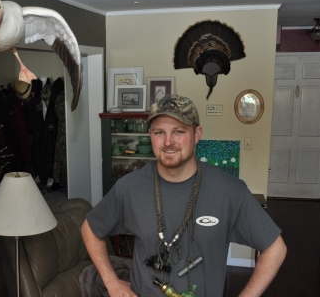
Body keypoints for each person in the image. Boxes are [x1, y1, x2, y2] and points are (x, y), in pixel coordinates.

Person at [81, 94, 287, 297]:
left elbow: (275, 249)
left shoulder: (230, 191)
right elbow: (89, 229)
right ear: (150, 135)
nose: (168, 141)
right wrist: (112, 282)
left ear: (197, 134)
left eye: (178, 131)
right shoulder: (128, 187)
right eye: (159, 132)